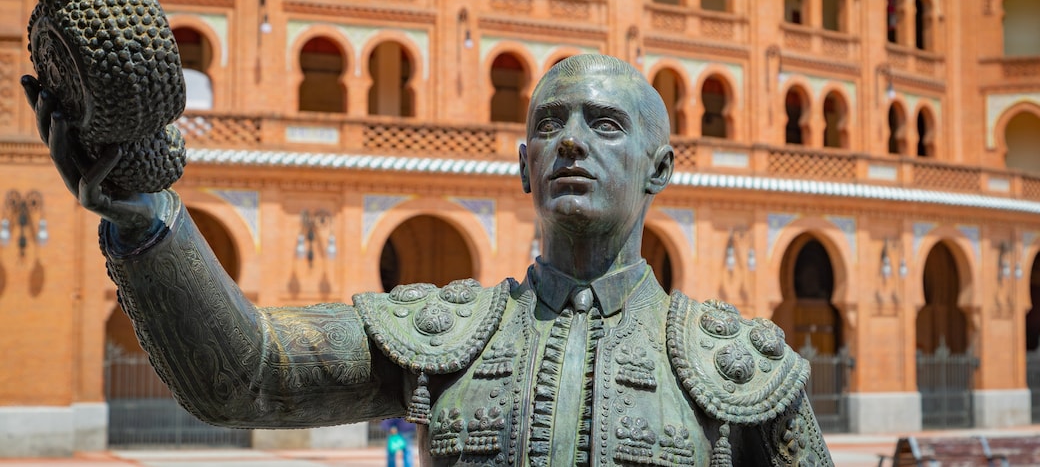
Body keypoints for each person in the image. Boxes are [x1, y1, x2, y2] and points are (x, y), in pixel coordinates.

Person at [23, 53, 832, 465]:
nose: (571, 142)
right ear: (522, 168)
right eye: (549, 124)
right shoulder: (451, 333)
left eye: (605, 125)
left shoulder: (738, 367)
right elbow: (246, 374)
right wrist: (145, 216)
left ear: (660, 169)